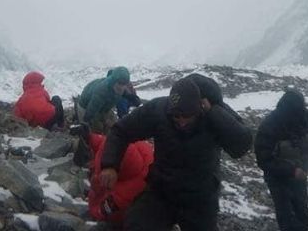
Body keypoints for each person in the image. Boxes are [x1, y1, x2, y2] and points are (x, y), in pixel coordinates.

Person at [99, 75, 252, 231]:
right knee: (136, 224)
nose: (182, 121)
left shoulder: (215, 113)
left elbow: (241, 146)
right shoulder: (159, 110)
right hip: (161, 190)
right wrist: (110, 165)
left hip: (200, 197)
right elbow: (121, 131)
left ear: (201, 107)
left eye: (187, 116)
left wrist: (214, 114)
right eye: (176, 116)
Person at [254, 89, 308, 231]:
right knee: (286, 215)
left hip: (300, 174)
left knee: (303, 213)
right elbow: (264, 159)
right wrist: (291, 171)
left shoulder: (307, 117)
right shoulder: (270, 125)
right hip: (277, 177)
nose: (296, 115)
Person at [70, 124, 154, 227]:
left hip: (124, 212)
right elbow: (106, 142)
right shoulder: (133, 146)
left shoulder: (125, 194)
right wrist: (89, 137)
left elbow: (101, 213)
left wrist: (95, 191)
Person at [78, 67, 132, 133]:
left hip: (104, 107)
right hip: (86, 107)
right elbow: (91, 110)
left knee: (114, 126)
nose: (121, 87)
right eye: (119, 83)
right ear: (113, 81)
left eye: (124, 84)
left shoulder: (120, 87)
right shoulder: (102, 91)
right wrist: (85, 123)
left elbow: (127, 95)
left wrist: (135, 100)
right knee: (97, 129)